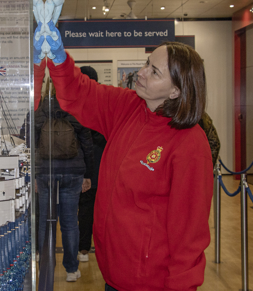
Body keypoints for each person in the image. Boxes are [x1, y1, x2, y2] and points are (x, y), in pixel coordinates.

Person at [33, 15, 214, 291]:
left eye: (154, 72)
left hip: (150, 284)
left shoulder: (189, 143)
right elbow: (80, 93)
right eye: (146, 64)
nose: (141, 73)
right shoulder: (129, 107)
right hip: (113, 277)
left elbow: (189, 236)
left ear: (176, 90)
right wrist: (58, 55)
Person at [34, 79, 94, 282]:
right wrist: (88, 175)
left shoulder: (41, 109)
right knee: (69, 222)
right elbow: (87, 143)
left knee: (45, 222)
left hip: (45, 172)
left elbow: (32, 141)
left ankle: (45, 268)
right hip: (72, 171)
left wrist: (34, 174)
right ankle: (71, 270)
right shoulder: (76, 108)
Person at [77, 66, 107, 263]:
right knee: (105, 210)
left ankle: (83, 249)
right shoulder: (105, 102)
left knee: (85, 208)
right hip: (104, 164)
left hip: (85, 164)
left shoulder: (77, 104)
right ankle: (106, 249)